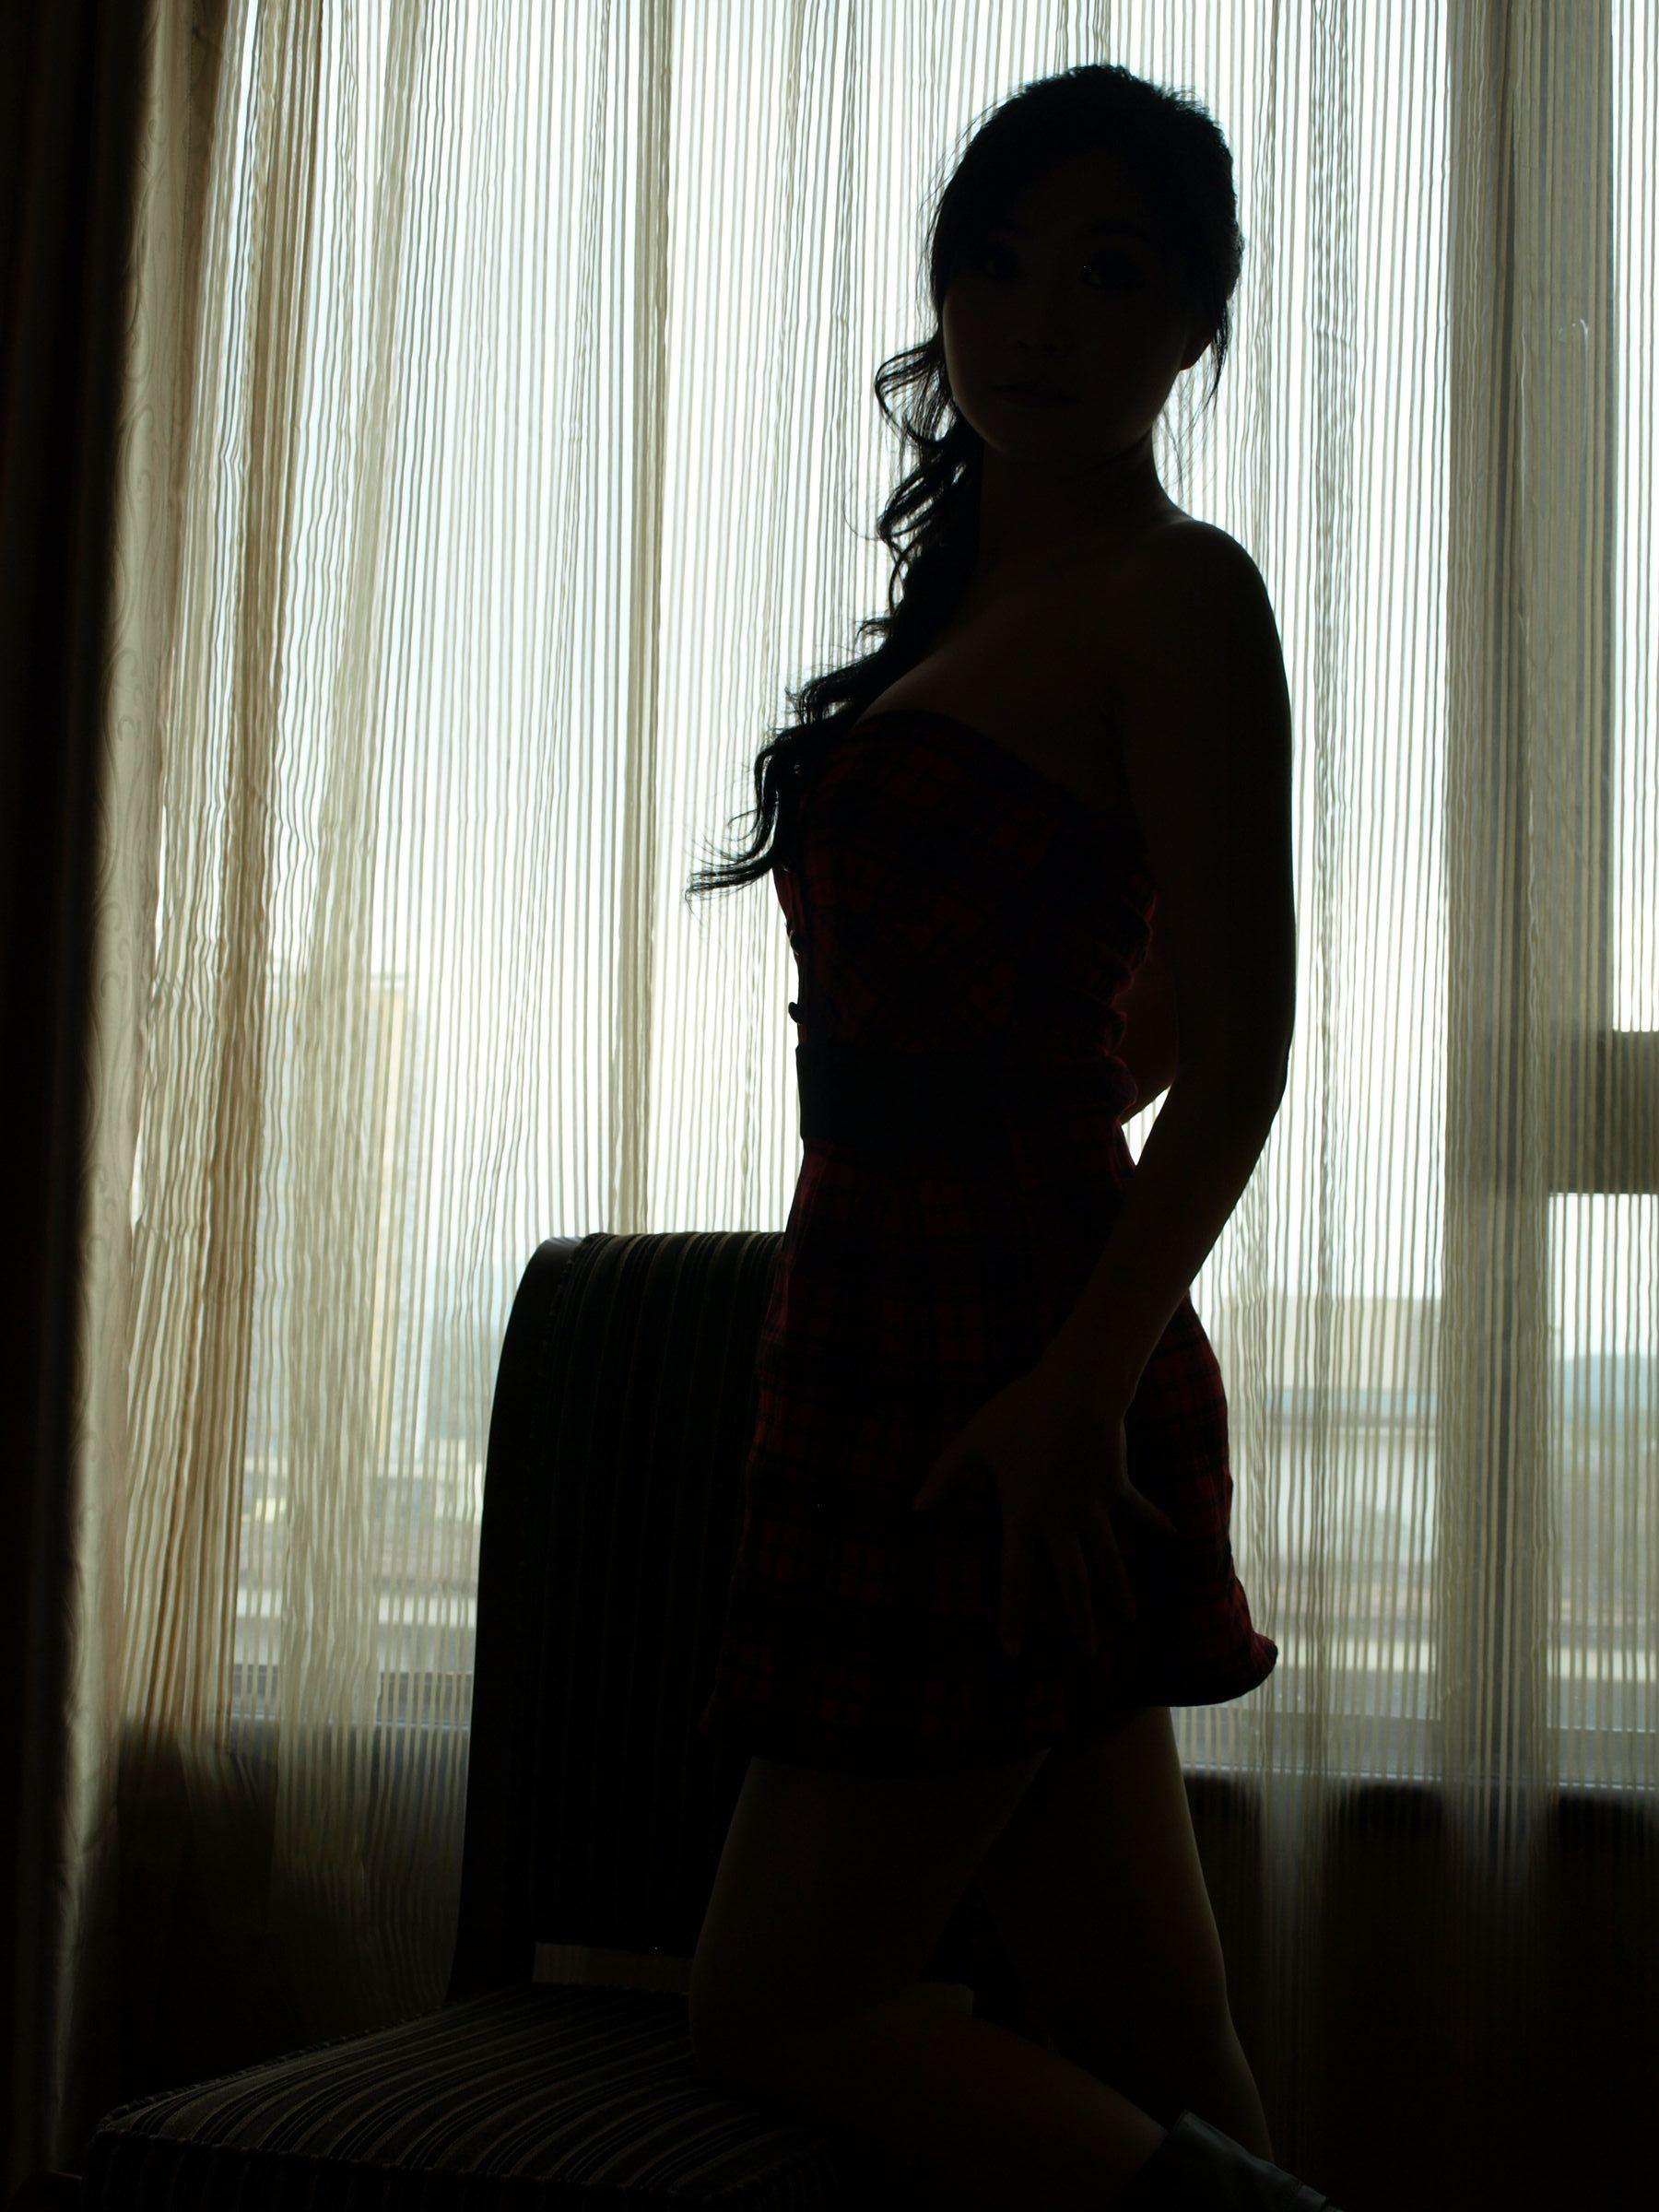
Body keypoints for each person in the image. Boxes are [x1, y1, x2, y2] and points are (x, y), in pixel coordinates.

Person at [682, 62, 1339, 2212]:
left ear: (1194, 329)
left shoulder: (1180, 592)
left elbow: (1242, 1050)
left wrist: (1075, 1389)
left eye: (1112, 274)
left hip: (1011, 1349)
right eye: (1000, 263)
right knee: (1153, 2025)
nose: (1040, 318)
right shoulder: (972, 601)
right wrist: (1028, 1102)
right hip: (892, 1305)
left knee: (776, 2004)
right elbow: (1120, 1017)